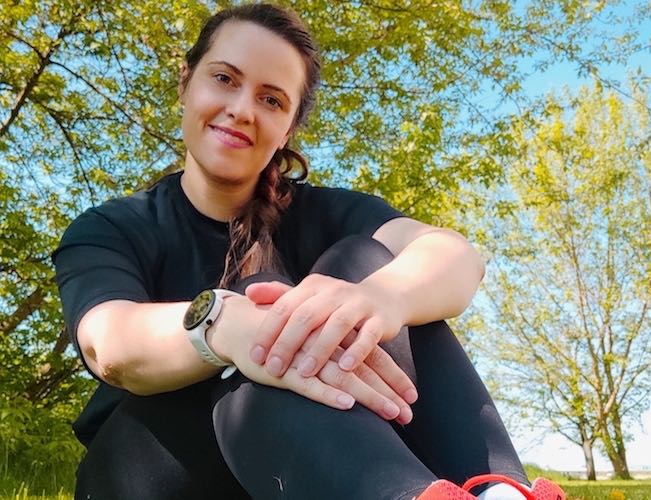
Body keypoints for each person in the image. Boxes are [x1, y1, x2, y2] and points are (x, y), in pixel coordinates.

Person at [52, 4, 565, 500]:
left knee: (366, 269)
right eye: (225, 78)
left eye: (271, 100)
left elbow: (456, 257)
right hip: (149, 474)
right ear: (186, 83)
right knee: (263, 324)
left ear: (288, 128)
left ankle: (500, 492)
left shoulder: (323, 212)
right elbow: (110, 345)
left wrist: (385, 298)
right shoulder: (113, 227)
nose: (242, 110)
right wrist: (226, 328)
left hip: (303, 473)